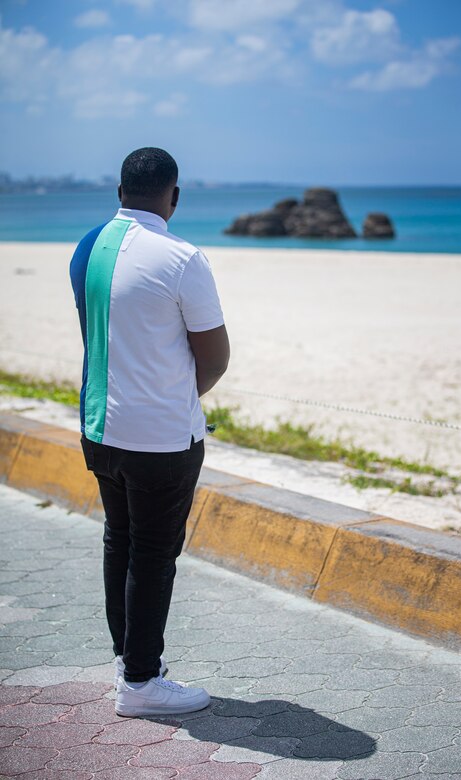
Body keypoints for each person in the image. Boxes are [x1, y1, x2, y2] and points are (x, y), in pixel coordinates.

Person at [69, 147, 230, 717]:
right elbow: (214, 358)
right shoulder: (182, 257)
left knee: (121, 541)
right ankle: (140, 683)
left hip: (99, 428)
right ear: (174, 196)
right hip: (160, 439)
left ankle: (128, 661)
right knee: (155, 555)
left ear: (119, 192)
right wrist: (177, 398)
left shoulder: (87, 248)